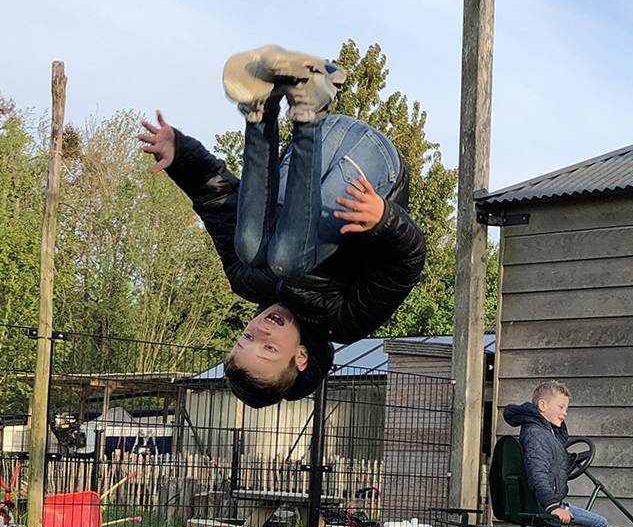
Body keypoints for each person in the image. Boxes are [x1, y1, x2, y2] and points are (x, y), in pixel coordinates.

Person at [138, 45, 426, 407]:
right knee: (285, 261)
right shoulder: (344, 320)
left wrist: (180, 154)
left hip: (322, 142)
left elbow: (220, 203)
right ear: (300, 357)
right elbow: (406, 264)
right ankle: (309, 112)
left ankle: (263, 109)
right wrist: (384, 218)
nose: (261, 329)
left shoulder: (245, 278)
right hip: (370, 168)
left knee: (249, 246)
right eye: (269, 347)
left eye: (247, 338)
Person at [503, 381, 616, 527]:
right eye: (561, 407)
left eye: (566, 409)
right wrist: (553, 506)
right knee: (600, 525)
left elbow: (549, 466)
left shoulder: (545, 433)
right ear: (542, 405)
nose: (565, 413)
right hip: (547, 503)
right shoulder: (537, 434)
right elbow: (537, 473)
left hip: (540, 501)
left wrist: (567, 461)